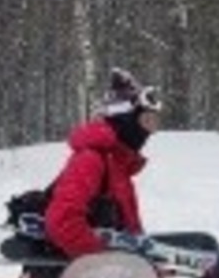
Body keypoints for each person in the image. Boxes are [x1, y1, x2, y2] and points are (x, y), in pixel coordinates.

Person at [42, 67, 161, 258]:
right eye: (146, 121)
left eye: (154, 123)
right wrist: (102, 259)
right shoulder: (91, 160)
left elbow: (129, 232)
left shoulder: (118, 166)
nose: (149, 132)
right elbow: (62, 221)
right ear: (126, 119)